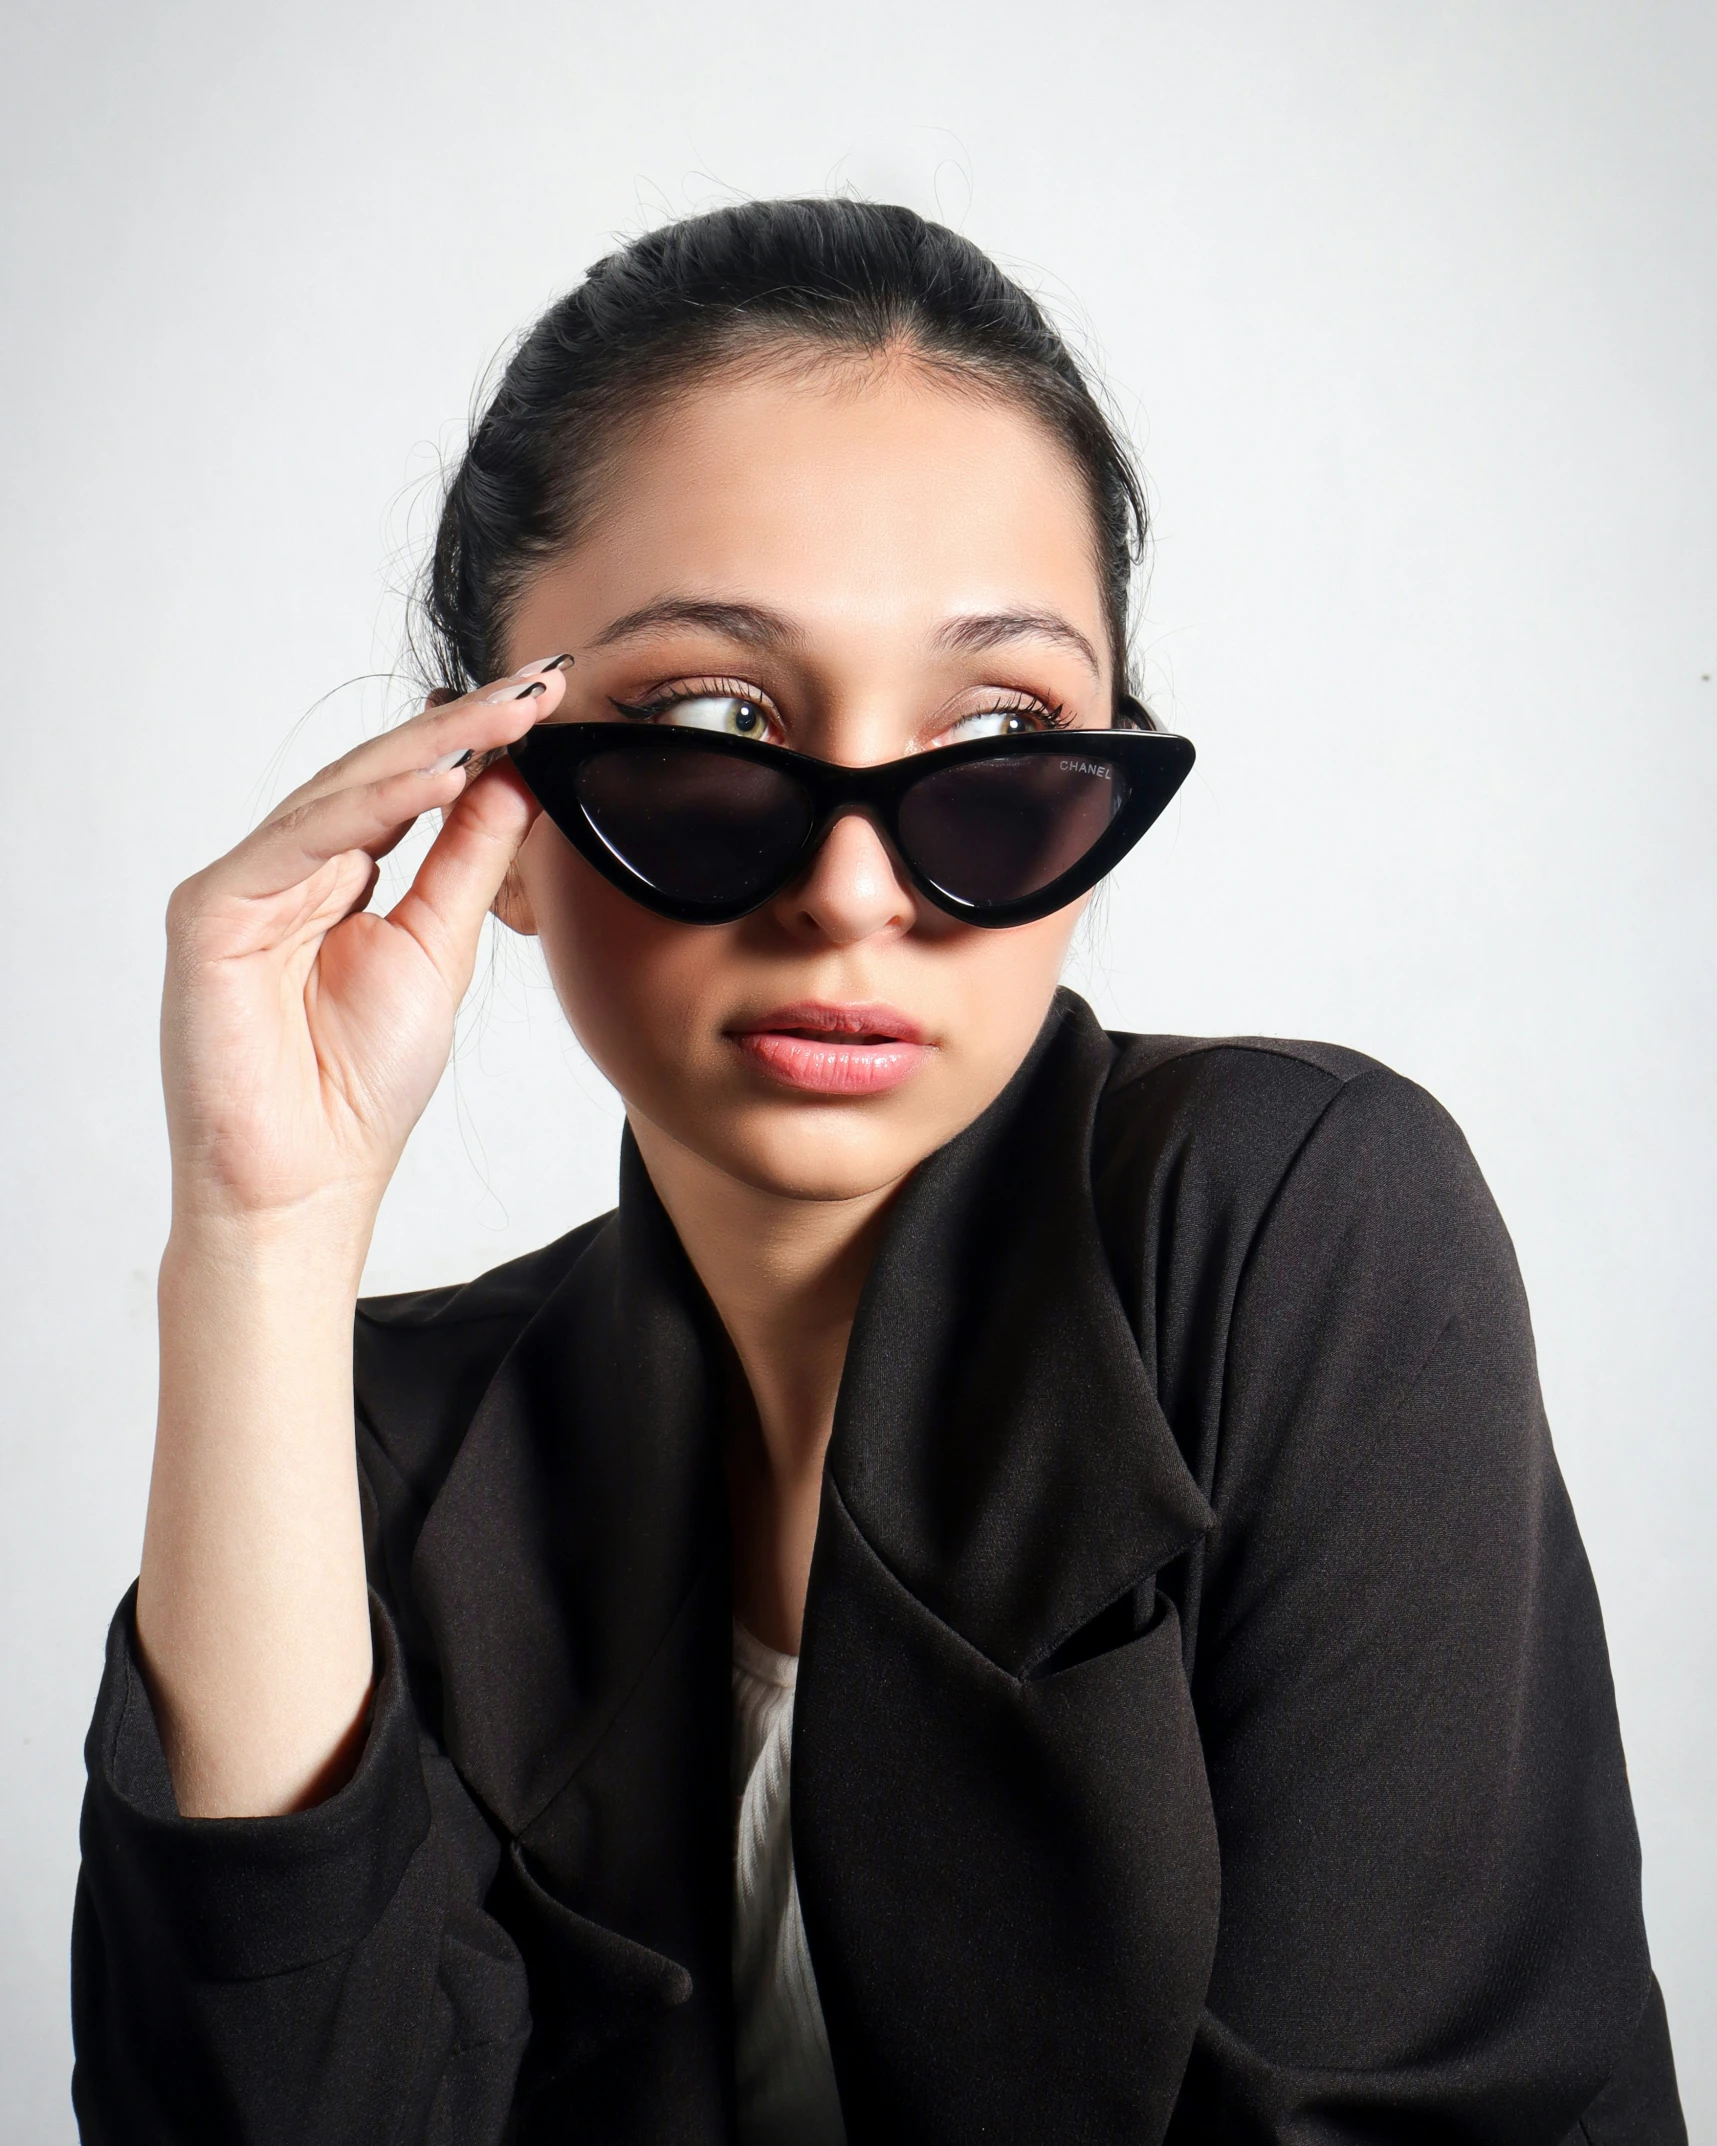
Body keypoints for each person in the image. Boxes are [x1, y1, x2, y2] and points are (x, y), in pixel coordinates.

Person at [70, 199, 1684, 2145]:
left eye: (1000, 729)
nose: (857, 886)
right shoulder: (387, 1452)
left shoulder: (1290, 1225)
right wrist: (262, 1223)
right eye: (710, 720)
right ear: (480, 782)